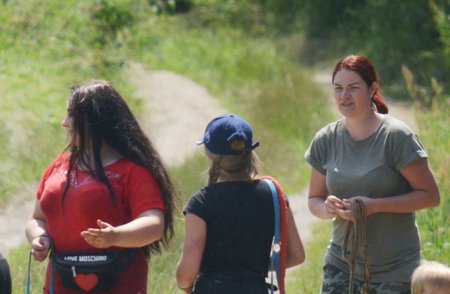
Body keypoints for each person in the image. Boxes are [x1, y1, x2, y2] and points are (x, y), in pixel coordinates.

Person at [25, 80, 177, 293]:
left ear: (96, 121)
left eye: (72, 115)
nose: (65, 123)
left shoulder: (132, 171)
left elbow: (154, 225)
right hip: (61, 283)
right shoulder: (58, 166)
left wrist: (116, 236)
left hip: (119, 284)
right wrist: (39, 237)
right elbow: (37, 218)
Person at [305, 55, 440, 293]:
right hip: (341, 265)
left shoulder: (396, 137)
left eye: (353, 88)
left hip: (395, 269)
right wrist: (327, 208)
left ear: (372, 89)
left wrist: (374, 206)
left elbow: (430, 196)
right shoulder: (326, 139)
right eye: (338, 88)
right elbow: (313, 200)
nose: (344, 96)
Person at [176, 114, 305, 294]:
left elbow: (187, 272)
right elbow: (297, 256)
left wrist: (186, 286)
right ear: (250, 151)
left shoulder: (202, 202)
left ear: (210, 155)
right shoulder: (274, 194)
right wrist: (254, 269)